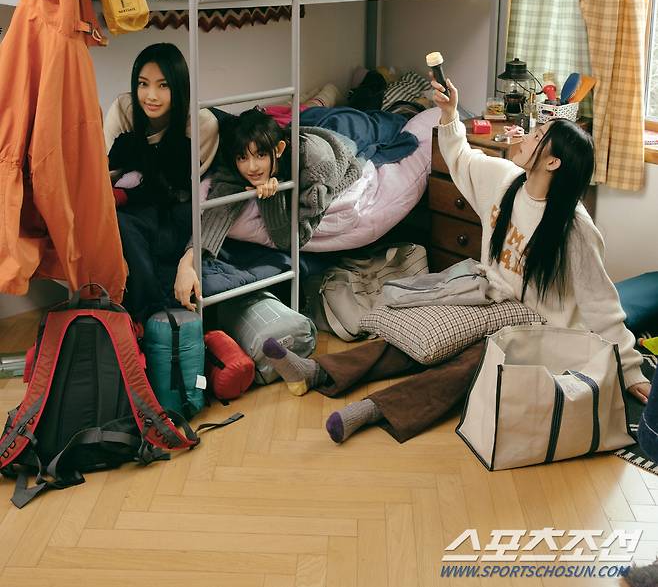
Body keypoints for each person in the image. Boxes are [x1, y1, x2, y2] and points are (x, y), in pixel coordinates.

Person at [260, 77, 650, 445]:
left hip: (538, 327)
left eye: (537, 137)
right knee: (420, 333)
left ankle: (376, 409)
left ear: (553, 163)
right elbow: (460, 157)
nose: (524, 136)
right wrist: (449, 113)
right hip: (490, 297)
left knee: (471, 362)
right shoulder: (506, 181)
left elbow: (601, 303)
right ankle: (319, 371)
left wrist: (630, 370)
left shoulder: (573, 228)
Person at [174, 108, 362, 309]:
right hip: (296, 136)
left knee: (360, 130)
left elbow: (292, 239)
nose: (252, 167)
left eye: (261, 155)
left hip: (336, 147)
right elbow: (218, 209)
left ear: (278, 149)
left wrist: (272, 197)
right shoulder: (239, 162)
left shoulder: (316, 167)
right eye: (243, 157)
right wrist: (187, 262)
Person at [104, 43, 221, 322]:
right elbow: (105, 174)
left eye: (163, 85)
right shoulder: (125, 109)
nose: (151, 96)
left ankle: (156, 316)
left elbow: (197, 190)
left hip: (178, 205)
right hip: (138, 202)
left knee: (174, 223)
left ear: (178, 87)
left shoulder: (201, 125)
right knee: (120, 223)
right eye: (143, 84)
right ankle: (151, 315)